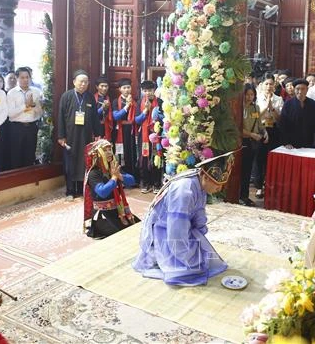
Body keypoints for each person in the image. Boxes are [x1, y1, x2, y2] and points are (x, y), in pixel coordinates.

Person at [133, 151, 235, 286]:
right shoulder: (184, 190)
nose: (220, 188)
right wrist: (190, 257)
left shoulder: (199, 181)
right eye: (217, 184)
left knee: (202, 257)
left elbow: (198, 214)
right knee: (188, 270)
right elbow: (176, 231)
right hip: (163, 229)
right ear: (205, 176)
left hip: (179, 225)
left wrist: (199, 237)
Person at [58, 69, 103, 200]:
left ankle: (82, 189)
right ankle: (70, 191)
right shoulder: (66, 96)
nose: (83, 84)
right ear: (74, 82)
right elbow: (60, 117)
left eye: (86, 82)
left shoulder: (90, 97)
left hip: (86, 136)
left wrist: (98, 134)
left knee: (84, 162)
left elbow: (95, 117)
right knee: (70, 163)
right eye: (81, 81)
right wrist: (61, 136)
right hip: (70, 136)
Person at [84, 139, 139, 238]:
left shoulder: (112, 167)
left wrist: (120, 176)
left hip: (118, 210)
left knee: (138, 226)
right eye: (105, 150)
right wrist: (114, 178)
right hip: (103, 215)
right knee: (128, 234)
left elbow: (132, 180)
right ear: (98, 154)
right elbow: (102, 192)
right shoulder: (94, 173)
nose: (109, 152)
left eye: (110, 149)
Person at [7, 67, 43, 169]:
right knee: (16, 157)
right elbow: (10, 114)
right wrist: (25, 106)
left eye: (27, 77)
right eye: (22, 77)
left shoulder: (37, 92)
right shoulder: (11, 93)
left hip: (32, 127)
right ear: (17, 78)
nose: (25, 80)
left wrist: (34, 106)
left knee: (30, 157)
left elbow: (40, 113)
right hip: (16, 128)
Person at [255, 74, 283, 198]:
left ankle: (269, 185)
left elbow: (280, 118)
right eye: (266, 84)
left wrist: (272, 108)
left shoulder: (279, 99)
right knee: (259, 159)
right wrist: (265, 107)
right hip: (260, 129)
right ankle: (258, 187)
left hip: (273, 130)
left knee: (271, 158)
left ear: (274, 85)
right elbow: (254, 117)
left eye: (271, 84)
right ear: (262, 85)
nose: (268, 86)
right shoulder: (257, 98)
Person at [241, 84, 267, 207]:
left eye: (252, 94)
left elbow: (259, 124)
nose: (249, 97)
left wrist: (265, 132)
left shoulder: (255, 108)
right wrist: (251, 134)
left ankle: (244, 196)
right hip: (243, 141)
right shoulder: (239, 108)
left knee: (248, 170)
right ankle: (239, 196)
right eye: (247, 94)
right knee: (241, 171)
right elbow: (238, 127)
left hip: (253, 142)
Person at [137, 80, 163, 193]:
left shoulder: (160, 102)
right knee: (144, 158)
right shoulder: (139, 102)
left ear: (154, 90)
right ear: (142, 91)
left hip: (157, 134)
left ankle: (156, 183)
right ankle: (145, 182)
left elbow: (164, 118)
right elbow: (137, 120)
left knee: (157, 157)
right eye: (145, 91)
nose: (148, 93)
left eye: (150, 90)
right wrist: (145, 111)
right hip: (144, 134)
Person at [279, 79, 315, 149]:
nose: (300, 91)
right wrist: (286, 142)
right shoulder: (288, 104)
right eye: (297, 89)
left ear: (307, 90)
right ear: (294, 89)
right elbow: (283, 124)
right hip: (292, 144)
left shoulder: (313, 104)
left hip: (309, 142)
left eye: (303, 89)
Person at [113, 78, 139, 181]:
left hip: (132, 130)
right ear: (120, 89)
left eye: (128, 87)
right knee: (121, 154)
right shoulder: (116, 101)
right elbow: (116, 116)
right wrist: (127, 106)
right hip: (121, 130)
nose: (127, 90)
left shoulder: (135, 101)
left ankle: (133, 179)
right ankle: (122, 179)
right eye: (124, 88)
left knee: (132, 153)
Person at [94, 77, 113, 141]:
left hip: (106, 125)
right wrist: (102, 108)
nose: (104, 88)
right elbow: (92, 114)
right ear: (97, 87)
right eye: (102, 86)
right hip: (96, 125)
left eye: (106, 86)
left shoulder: (109, 98)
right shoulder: (92, 98)